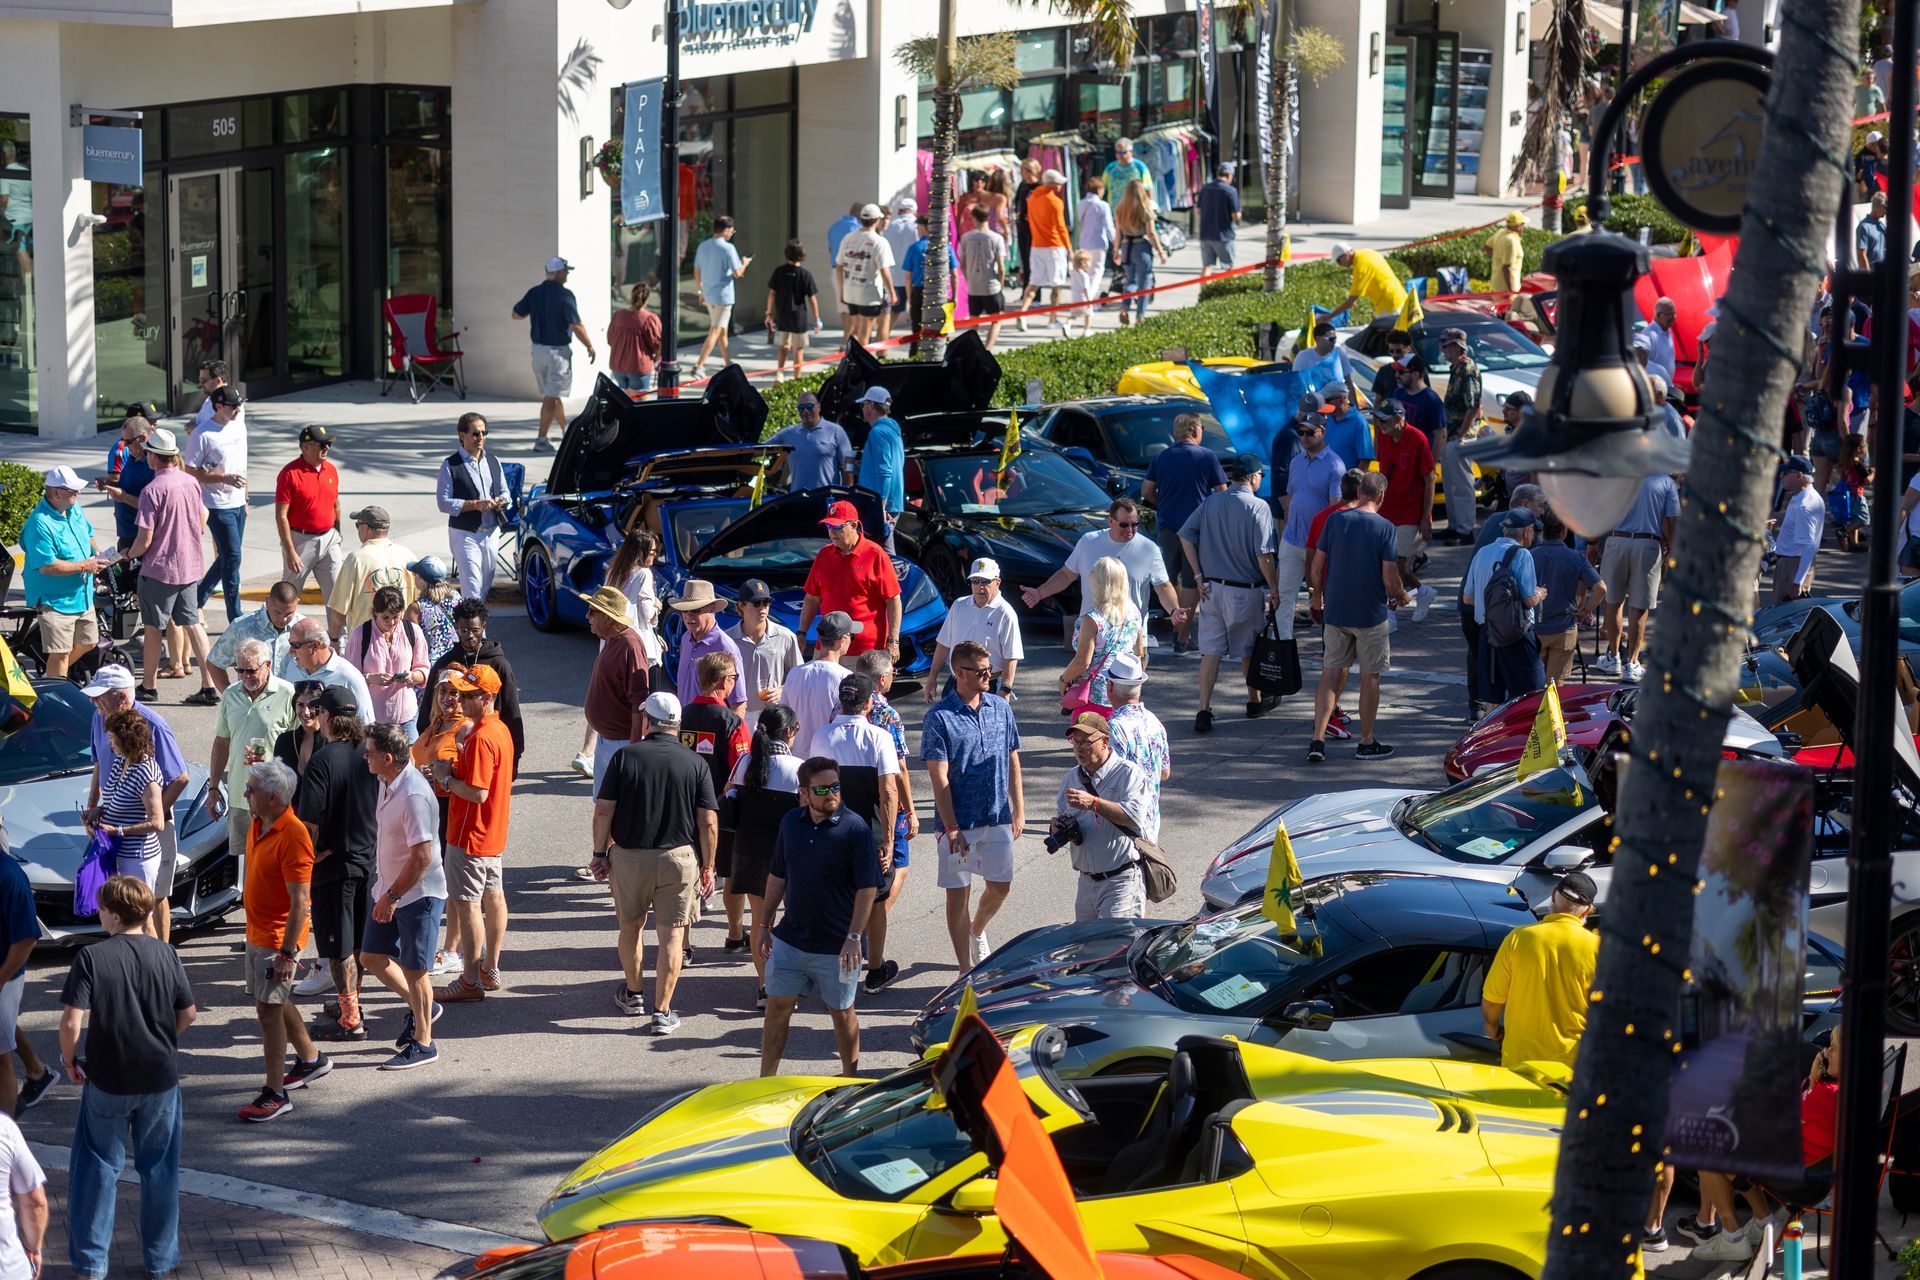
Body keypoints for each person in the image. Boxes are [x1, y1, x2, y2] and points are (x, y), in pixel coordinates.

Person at [59, 874, 196, 1280]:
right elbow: (187, 1013)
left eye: (101, 908)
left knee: (98, 1169)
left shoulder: (92, 958)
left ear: (114, 915)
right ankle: (160, 1260)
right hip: (159, 1077)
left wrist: (70, 1062)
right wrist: (159, 1039)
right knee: (160, 1171)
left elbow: (70, 1022)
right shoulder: (166, 954)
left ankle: (91, 1262)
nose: (98, 914)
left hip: (108, 1078)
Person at [591, 692, 718, 1036]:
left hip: (629, 857)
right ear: (678, 725)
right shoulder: (695, 764)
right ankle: (662, 1012)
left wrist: (599, 853)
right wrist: (708, 865)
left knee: (630, 928)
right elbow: (707, 821)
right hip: (678, 859)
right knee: (673, 938)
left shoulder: (624, 757)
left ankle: (633, 995)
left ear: (648, 721)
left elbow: (604, 809)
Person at [756, 757, 880, 1076]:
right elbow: (777, 876)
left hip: (837, 949)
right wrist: (763, 925)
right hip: (791, 940)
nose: (831, 795)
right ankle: (765, 1082)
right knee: (776, 1009)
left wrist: (854, 938)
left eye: (835, 787)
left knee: (841, 1013)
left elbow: (867, 889)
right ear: (804, 793)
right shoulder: (790, 824)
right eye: (822, 789)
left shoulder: (855, 829)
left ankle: (850, 1081)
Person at [1688, 1029, 1843, 1262]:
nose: (1826, 1052)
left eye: (1833, 1047)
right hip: (1811, 1171)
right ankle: (1762, 1222)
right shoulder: (1842, 1091)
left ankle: (1732, 1238)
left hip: (1799, 1181)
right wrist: (1812, 1078)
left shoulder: (1826, 1096)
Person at [238, 759, 330, 1122]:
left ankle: (276, 1093)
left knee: (268, 1011)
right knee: (274, 999)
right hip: (256, 931)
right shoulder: (259, 821)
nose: (245, 793)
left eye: (251, 790)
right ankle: (311, 1059)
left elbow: (300, 902)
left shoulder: (293, 836)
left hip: (277, 940)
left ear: (273, 797)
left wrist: (288, 953)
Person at [923, 640, 1024, 969]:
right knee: (958, 894)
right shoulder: (939, 718)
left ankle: (976, 930)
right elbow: (940, 779)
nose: (989, 677)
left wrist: (1018, 809)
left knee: (1001, 886)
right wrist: (951, 827)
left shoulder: (1001, 707)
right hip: (959, 824)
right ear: (960, 673)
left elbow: (1012, 758)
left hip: (996, 817)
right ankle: (966, 971)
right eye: (982, 672)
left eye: (990, 671)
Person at [81, 666, 192, 947]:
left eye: (99, 697)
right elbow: (98, 762)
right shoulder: (101, 717)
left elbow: (179, 777)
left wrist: (147, 814)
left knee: (154, 898)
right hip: (117, 817)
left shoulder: (152, 725)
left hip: (146, 829)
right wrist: (94, 805)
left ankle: (163, 959)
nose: (94, 702)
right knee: (125, 902)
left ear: (120, 697)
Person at [357, 723, 446, 1070]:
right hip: (391, 889)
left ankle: (424, 1043)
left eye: (369, 752)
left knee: (415, 969)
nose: (365, 756)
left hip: (417, 894)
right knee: (371, 956)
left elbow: (422, 856)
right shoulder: (386, 781)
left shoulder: (412, 794)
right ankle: (424, 1006)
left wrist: (391, 895)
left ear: (388, 758)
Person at [293, 688, 380, 1041]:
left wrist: (308, 857)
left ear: (326, 716)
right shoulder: (370, 754)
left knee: (340, 947)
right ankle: (352, 1003)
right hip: (369, 861)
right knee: (358, 943)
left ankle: (350, 1019)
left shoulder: (323, 761)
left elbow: (309, 824)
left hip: (335, 868)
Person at [809, 671, 904, 992]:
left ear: (841, 700)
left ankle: (832, 970)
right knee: (876, 901)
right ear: (868, 703)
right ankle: (875, 970)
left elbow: (813, 788)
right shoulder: (880, 737)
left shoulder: (821, 736)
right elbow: (889, 792)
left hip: (831, 831)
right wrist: (889, 840)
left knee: (835, 900)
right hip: (871, 833)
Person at [1308, 472, 1409, 762]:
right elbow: (1390, 578)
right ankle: (1366, 741)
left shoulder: (1335, 520)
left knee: (1329, 674)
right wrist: (1401, 596)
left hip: (1336, 612)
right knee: (1370, 677)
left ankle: (1317, 740)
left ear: (1360, 491)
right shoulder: (1385, 528)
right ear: (1381, 496)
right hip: (1370, 614)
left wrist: (1317, 596)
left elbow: (1317, 567)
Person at [430, 664, 516, 1004]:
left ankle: (469, 980)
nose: (460, 700)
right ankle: (489, 970)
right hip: (491, 834)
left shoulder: (480, 737)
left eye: (468, 695)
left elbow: (477, 792)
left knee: (467, 907)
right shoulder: (499, 730)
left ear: (487, 697)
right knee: (494, 898)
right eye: (460, 693)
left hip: (470, 836)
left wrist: (445, 778)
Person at [1180, 456, 1281, 733]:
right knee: (1248, 649)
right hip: (1243, 589)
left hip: (1211, 589)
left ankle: (1203, 708)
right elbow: (1264, 554)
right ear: (1253, 477)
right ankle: (1254, 700)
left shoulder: (1212, 501)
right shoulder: (1259, 507)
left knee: (1210, 652)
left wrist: (1198, 574)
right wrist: (1274, 586)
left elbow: (1185, 534)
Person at [127, 428, 217, 706]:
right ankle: (209, 685)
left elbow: (145, 539)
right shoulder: (190, 482)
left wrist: (128, 554)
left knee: (153, 628)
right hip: (189, 566)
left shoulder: (151, 490)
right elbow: (204, 515)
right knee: (192, 624)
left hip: (159, 570)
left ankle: (149, 686)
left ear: (154, 457)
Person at [1023, 498, 1184, 646]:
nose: (1130, 530)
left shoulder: (1148, 549)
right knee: (1087, 672)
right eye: (1124, 525)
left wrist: (1174, 610)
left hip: (1130, 634)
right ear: (1111, 521)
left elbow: (1163, 586)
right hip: (1093, 631)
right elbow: (1066, 574)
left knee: (1127, 678)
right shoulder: (1088, 542)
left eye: (1135, 524)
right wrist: (1039, 593)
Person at [724, 705, 802, 1007]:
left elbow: (727, 796)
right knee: (794, 921)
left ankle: (765, 988)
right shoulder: (799, 769)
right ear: (790, 732)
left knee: (760, 922)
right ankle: (791, 983)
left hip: (750, 853)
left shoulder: (745, 762)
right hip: (789, 856)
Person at [1481, 870, 1599, 1069]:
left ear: (1553, 896)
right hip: (1571, 1068)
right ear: (1587, 911)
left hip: (1520, 1062)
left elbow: (1492, 1001)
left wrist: (1492, 1028)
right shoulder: (1599, 949)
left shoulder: (1518, 938)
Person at [1051, 712, 1155, 922]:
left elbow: (1134, 817)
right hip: (1086, 883)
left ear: (1105, 742)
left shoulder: (1128, 774)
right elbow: (1062, 815)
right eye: (1075, 741)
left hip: (1121, 880)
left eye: (1086, 742)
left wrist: (1094, 803)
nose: (1079, 748)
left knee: (1116, 948)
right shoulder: (1071, 777)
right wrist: (1057, 828)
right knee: (1088, 949)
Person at [1141, 415, 1228, 652]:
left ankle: (1175, 624)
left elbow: (1147, 491)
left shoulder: (1162, 456)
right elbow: (1222, 492)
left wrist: (1163, 503)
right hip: (1196, 529)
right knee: (1192, 580)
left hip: (1168, 525)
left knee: (1169, 578)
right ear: (1196, 430)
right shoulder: (1207, 457)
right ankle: (1182, 636)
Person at [21, 465, 105, 684]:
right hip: (54, 600)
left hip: (81, 595)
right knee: (59, 652)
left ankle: (52, 678)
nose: (77, 493)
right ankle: (55, 692)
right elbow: (48, 566)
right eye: (73, 490)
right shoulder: (39, 524)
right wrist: (86, 566)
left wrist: (96, 553)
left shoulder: (73, 508)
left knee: (89, 642)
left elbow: (88, 533)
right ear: (57, 493)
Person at [418, 600, 527, 767]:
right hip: (448, 752)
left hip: (485, 747)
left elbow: (512, 712)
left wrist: (514, 759)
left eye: (475, 630)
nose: (469, 636)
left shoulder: (499, 664)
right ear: (456, 628)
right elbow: (427, 710)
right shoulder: (445, 663)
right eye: (464, 630)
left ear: (484, 626)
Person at [1596, 472, 1680, 684]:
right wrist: (1673, 546)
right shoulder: (1665, 482)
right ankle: (1632, 663)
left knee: (1613, 602)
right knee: (1639, 608)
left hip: (1616, 540)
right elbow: (1672, 521)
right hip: (1648, 543)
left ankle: (1614, 657)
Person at [1273, 411, 1347, 643]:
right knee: (1285, 596)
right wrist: (1286, 526)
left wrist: (1327, 545)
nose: (1303, 437)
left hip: (1318, 544)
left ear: (1322, 433)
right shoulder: (1296, 462)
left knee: (1322, 595)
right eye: (1300, 432)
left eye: (1309, 432)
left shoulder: (1335, 465)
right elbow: (1291, 498)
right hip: (1292, 539)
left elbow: (1336, 510)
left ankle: (1332, 644)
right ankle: (1282, 645)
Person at [800, 498, 901, 663]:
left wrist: (893, 641)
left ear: (854, 526)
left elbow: (893, 600)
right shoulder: (823, 555)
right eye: (829, 526)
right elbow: (812, 598)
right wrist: (801, 633)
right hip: (827, 650)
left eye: (838, 526)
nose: (832, 531)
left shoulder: (875, 554)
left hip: (866, 652)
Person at [512, 256, 596, 451]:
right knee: (551, 398)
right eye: (565, 271)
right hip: (557, 353)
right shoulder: (565, 295)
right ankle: (541, 440)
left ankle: (566, 431)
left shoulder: (534, 293)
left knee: (553, 395)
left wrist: (537, 314)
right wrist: (589, 346)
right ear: (558, 273)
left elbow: (516, 314)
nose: (567, 274)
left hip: (538, 352)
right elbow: (576, 324)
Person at [1465, 510, 1548, 705]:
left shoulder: (1482, 552)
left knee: (1493, 701)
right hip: (1516, 635)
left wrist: (1495, 606)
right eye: (1534, 530)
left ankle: (1495, 735)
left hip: (1488, 633)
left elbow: (1468, 598)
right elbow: (1529, 600)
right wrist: (1540, 594)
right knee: (1531, 696)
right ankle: (1525, 735)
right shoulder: (1522, 555)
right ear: (1526, 531)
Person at [576, 584, 652, 793]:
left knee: (616, 806)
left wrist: (634, 749)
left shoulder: (631, 645)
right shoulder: (611, 639)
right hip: (606, 740)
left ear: (609, 618)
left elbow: (639, 701)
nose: (587, 616)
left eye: (593, 612)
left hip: (622, 744)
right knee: (603, 805)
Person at [183, 383, 249, 624]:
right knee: (232, 559)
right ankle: (236, 618)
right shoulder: (202, 434)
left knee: (229, 557)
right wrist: (224, 478)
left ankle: (197, 598)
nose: (238, 410)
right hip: (216, 504)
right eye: (233, 406)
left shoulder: (238, 427)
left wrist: (246, 497)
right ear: (218, 406)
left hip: (238, 502)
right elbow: (190, 471)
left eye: (239, 405)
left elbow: (242, 465)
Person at [437, 413, 515, 604]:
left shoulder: (493, 461)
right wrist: (475, 505)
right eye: (475, 433)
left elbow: (507, 494)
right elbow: (443, 502)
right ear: (462, 435)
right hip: (465, 534)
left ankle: (474, 626)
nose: (480, 438)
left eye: (483, 433)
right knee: (472, 588)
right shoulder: (450, 465)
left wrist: (501, 501)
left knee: (484, 586)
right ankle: (476, 633)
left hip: (491, 532)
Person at [1370, 399, 1437, 619]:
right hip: (1387, 509)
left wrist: (1426, 516)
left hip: (1410, 511)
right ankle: (1423, 592)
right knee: (1390, 565)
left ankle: (1390, 615)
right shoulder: (1382, 435)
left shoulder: (1418, 439)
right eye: (1378, 420)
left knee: (1395, 565)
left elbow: (1429, 478)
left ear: (1399, 419)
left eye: (1384, 420)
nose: (1380, 425)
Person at [927, 557, 1023, 700]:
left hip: (988, 686)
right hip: (956, 683)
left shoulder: (1005, 613)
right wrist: (932, 678)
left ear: (997, 582)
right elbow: (943, 644)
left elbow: (1011, 656)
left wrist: (1006, 689)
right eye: (975, 581)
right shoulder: (959, 605)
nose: (980, 586)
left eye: (985, 581)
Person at [1060, 557, 1146, 716]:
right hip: (1123, 689)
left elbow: (1082, 662)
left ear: (1098, 583)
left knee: (1088, 739)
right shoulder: (1134, 612)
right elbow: (1140, 653)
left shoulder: (1092, 619)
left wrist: (1064, 680)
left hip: (1096, 693)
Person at [90, 712, 167, 888]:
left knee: (138, 913)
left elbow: (157, 823)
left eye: (112, 738)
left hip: (138, 859)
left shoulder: (147, 772)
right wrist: (98, 811)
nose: (109, 743)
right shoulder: (120, 761)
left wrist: (117, 831)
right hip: (115, 854)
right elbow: (116, 800)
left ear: (127, 740)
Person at [345, 586, 430, 737]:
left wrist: (412, 676)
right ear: (375, 613)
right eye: (385, 617)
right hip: (371, 719)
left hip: (406, 717)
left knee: (409, 761)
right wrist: (371, 678)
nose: (391, 622)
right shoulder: (360, 635)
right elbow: (349, 679)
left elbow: (424, 670)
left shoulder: (413, 631)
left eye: (396, 617)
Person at [1532, 511, 1605, 685]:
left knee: (1532, 684)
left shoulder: (1530, 555)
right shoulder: (1575, 558)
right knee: (1555, 685)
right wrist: (1585, 611)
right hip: (1564, 628)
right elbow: (1601, 588)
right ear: (1564, 531)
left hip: (1535, 629)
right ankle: (1551, 712)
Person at [274, 424, 344, 602]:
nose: (326, 448)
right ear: (306, 447)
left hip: (329, 538)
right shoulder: (289, 474)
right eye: (322, 444)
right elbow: (281, 515)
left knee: (337, 595)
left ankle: (340, 632)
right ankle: (281, 629)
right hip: (300, 541)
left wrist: (337, 532)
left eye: (328, 443)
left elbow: (335, 503)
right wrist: (290, 552)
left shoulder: (331, 470)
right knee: (289, 595)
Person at [1103, 654, 1169, 843]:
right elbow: (1164, 773)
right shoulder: (1154, 721)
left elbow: (1111, 778)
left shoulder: (1115, 726)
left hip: (1125, 821)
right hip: (1151, 819)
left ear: (1110, 687)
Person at [329, 505, 418, 638]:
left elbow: (339, 608)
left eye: (357, 525)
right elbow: (417, 604)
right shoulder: (407, 555)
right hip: (401, 639)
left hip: (366, 640)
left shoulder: (357, 559)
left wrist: (334, 638)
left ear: (365, 528)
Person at [728, 579, 804, 731]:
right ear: (742, 605)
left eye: (766, 603)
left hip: (772, 713)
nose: (762, 608)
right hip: (738, 713)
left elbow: (798, 676)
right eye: (756, 603)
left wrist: (782, 690)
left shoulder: (785, 637)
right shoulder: (728, 640)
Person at [783, 610, 859, 753]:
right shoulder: (846, 678)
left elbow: (784, 716)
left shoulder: (795, 673)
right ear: (842, 640)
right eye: (851, 637)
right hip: (830, 758)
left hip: (797, 758)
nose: (851, 640)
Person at [207, 581, 302, 693]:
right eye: (277, 612)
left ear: (297, 603)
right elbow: (215, 663)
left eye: (288, 614)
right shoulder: (242, 627)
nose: (283, 619)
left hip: (292, 705)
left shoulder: (303, 628)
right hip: (253, 705)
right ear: (267, 601)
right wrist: (231, 699)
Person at [1332, 242, 1425, 353]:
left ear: (1346, 254)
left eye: (1338, 261)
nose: (1339, 265)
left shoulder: (1360, 266)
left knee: (1394, 340)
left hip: (1390, 305)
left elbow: (1352, 300)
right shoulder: (1367, 252)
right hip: (1398, 298)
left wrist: (1329, 316)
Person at [1436, 328, 1483, 544]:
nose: (1443, 350)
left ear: (1457, 347)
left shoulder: (1468, 369)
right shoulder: (1457, 368)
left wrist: (1462, 434)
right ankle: (1455, 526)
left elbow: (1473, 406)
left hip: (1461, 435)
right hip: (1452, 434)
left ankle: (1465, 530)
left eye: (1446, 346)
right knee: (1451, 483)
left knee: (1462, 485)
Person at [278, 617, 374, 722]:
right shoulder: (293, 666)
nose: (291, 651)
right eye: (290, 643)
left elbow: (366, 726)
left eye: (296, 645)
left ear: (316, 645)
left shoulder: (349, 677)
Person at [692, 215, 753, 375]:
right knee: (716, 330)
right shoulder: (728, 248)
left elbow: (696, 271)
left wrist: (701, 290)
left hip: (709, 295)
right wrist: (745, 264)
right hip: (723, 298)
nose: (732, 233)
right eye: (732, 230)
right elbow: (738, 273)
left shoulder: (703, 246)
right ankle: (699, 365)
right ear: (726, 230)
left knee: (722, 330)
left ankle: (727, 363)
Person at [1016, 169, 1071, 332]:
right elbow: (1061, 228)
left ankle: (1022, 313)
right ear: (1051, 183)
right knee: (1057, 286)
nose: (1061, 185)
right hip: (1054, 247)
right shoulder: (1055, 202)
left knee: (1034, 283)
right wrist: (1070, 249)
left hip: (1037, 246)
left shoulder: (1032, 198)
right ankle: (1052, 319)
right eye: (1059, 182)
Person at [834, 203, 895, 349]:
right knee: (864, 336)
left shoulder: (848, 238)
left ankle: (849, 361)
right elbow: (884, 270)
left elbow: (839, 266)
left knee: (855, 331)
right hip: (869, 296)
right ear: (877, 220)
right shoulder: (879, 242)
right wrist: (892, 293)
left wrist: (842, 291)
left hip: (850, 293)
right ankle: (860, 368)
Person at [853, 388, 906, 552]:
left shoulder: (878, 432)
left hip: (879, 504)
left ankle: (893, 578)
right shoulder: (892, 431)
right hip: (891, 502)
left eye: (863, 404)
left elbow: (885, 471)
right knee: (880, 552)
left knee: (883, 554)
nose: (862, 408)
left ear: (870, 405)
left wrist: (881, 507)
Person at [768, 393, 856, 490]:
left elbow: (849, 464)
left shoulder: (837, 431)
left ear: (819, 407)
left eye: (809, 406)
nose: (805, 411)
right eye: (801, 407)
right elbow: (760, 448)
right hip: (798, 499)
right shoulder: (788, 434)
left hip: (827, 499)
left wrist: (846, 495)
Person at [1771, 455, 1827, 603]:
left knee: (1783, 618)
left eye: (1786, 473)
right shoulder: (1805, 496)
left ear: (1799, 475)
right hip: (1794, 563)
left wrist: (1798, 582)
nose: (1781, 476)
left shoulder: (1804, 506)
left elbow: (1809, 546)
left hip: (1793, 566)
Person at [99, 413, 157, 554]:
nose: (123, 446)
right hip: (126, 534)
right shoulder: (133, 457)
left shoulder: (152, 466)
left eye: (128, 442)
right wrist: (109, 484)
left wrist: (124, 498)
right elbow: (129, 485)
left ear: (143, 438)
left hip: (139, 538)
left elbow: (153, 508)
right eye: (123, 441)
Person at [764, 241, 821, 381]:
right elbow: (812, 299)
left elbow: (772, 293)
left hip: (782, 315)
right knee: (798, 349)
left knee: (783, 346)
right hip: (799, 318)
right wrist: (816, 319)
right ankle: (797, 378)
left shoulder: (779, 271)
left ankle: (780, 374)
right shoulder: (805, 274)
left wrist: (769, 313)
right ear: (802, 255)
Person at [1113, 180, 1165, 327]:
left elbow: (1118, 233)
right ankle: (1140, 316)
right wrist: (1161, 251)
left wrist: (1116, 250)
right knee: (1144, 283)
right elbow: (1151, 233)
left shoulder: (1120, 209)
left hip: (1126, 247)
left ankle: (1124, 307)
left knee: (1130, 281)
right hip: (1141, 246)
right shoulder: (1145, 208)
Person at [957, 205, 1009, 350]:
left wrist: (969, 279)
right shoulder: (996, 238)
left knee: (974, 320)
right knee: (996, 319)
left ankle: (972, 349)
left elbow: (962, 264)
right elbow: (1001, 266)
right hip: (991, 286)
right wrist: (1001, 283)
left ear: (974, 218)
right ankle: (988, 348)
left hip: (974, 286)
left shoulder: (966, 237)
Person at [607, 281, 662, 395]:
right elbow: (657, 344)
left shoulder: (618, 315)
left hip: (618, 365)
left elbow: (610, 339)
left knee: (624, 401)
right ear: (646, 299)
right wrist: (657, 359)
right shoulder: (650, 319)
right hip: (638, 366)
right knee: (639, 404)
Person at [406, 555, 463, 664]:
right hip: (458, 661)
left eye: (415, 574)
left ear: (423, 581)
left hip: (433, 666)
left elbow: (409, 643)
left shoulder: (416, 608)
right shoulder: (456, 596)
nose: (414, 577)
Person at [880, 197, 921, 343]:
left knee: (893, 313)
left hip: (893, 276)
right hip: (913, 276)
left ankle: (881, 339)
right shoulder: (916, 226)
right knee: (916, 311)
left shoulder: (890, 226)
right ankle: (916, 341)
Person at [1193, 161, 1241, 269]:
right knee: (1228, 268)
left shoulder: (1205, 188)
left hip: (1206, 234)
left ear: (1218, 174)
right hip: (1224, 235)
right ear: (1229, 176)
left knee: (1206, 267)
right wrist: (1237, 221)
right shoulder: (1231, 191)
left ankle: (1204, 286)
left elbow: (1198, 211)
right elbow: (1236, 215)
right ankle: (1224, 286)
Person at [1290, 322, 1357, 394]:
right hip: (1314, 401)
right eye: (1331, 339)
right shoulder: (1303, 356)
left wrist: (1355, 405)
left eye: (1335, 339)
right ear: (1318, 339)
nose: (1334, 342)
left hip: (1338, 401)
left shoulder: (1339, 353)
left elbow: (1349, 383)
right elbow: (1296, 384)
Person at [1076, 176, 1116, 284]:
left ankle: (1087, 297)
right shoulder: (1103, 205)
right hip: (1098, 243)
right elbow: (1109, 227)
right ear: (1099, 190)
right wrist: (1116, 244)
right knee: (1097, 272)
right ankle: (1090, 299)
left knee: (1086, 272)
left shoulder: (1081, 204)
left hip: (1083, 243)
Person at [1486, 210, 1527, 298]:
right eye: (1523, 224)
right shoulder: (1511, 241)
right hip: (1506, 290)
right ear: (1518, 226)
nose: (1524, 227)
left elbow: (1487, 247)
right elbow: (1506, 267)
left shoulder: (1500, 233)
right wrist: (1511, 291)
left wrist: (1496, 258)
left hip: (1497, 285)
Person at [1102, 137, 1152, 205]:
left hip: (1134, 211)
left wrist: (1147, 207)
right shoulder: (1110, 168)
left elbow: (1148, 189)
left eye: (1123, 152)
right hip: (1114, 211)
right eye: (1118, 152)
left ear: (1131, 152)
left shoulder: (1140, 167)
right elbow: (1102, 187)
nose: (1120, 155)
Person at [1857, 191, 1889, 271]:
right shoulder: (1864, 226)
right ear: (1877, 206)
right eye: (1885, 207)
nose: (1886, 211)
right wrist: (1868, 277)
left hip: (1881, 272)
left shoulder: (1881, 226)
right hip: (1870, 272)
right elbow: (1861, 254)